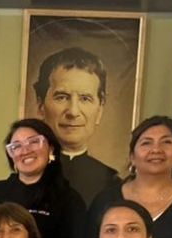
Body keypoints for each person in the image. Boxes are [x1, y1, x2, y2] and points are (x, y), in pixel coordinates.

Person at [32, 47, 120, 205]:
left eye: (85, 99)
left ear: (100, 109)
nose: (73, 112)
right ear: (40, 106)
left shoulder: (114, 186)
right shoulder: (24, 173)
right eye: (62, 97)